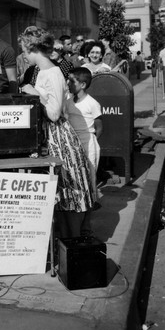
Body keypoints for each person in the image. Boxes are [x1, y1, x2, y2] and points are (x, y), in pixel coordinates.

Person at [19, 27, 94, 238]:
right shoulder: (46, 72)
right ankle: (66, 241)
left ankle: (73, 241)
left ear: (33, 48)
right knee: (61, 190)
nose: (24, 55)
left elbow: (53, 113)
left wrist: (34, 94)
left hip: (58, 136)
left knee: (68, 189)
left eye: (25, 50)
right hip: (52, 136)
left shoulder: (52, 73)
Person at [65, 67, 103, 235]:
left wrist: (90, 142)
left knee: (89, 183)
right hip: (73, 145)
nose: (68, 83)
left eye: (71, 81)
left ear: (82, 84)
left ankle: (86, 226)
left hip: (88, 145)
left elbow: (99, 127)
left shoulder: (92, 103)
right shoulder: (67, 99)